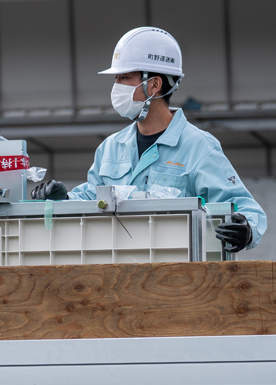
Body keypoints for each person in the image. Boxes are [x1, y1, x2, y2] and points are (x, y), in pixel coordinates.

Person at [31, 27, 266, 252]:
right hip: (117, 273)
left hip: (177, 277)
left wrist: (246, 229)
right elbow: (94, 198)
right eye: (116, 79)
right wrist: (65, 198)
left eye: (124, 77)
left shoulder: (199, 148)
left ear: (154, 84)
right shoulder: (111, 148)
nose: (116, 87)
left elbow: (244, 207)